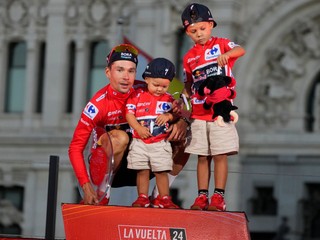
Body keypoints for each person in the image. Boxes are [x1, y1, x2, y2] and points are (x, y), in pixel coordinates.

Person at [68, 43, 190, 206]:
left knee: (188, 136)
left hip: (144, 162)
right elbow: (75, 148)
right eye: (120, 70)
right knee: (120, 137)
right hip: (110, 170)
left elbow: (179, 105)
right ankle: (102, 193)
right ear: (108, 72)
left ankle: (159, 197)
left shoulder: (148, 88)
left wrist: (182, 121)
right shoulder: (97, 105)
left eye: (131, 71)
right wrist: (86, 186)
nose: (126, 77)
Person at [180, 3, 246, 211]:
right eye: (193, 31)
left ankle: (218, 197)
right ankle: (201, 197)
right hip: (199, 113)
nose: (199, 34)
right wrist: (183, 99)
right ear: (187, 32)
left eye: (202, 28)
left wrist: (228, 55)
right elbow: (188, 83)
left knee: (220, 154)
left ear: (210, 25)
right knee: (202, 156)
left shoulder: (221, 44)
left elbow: (241, 49)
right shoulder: (188, 57)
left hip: (220, 112)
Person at [126, 58, 180, 209]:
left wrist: (169, 116)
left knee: (161, 171)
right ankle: (142, 197)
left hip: (160, 142)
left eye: (164, 86)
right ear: (147, 79)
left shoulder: (169, 99)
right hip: (140, 141)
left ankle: (164, 198)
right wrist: (138, 128)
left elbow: (177, 114)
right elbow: (129, 114)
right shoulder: (137, 95)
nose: (159, 89)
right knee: (142, 170)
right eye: (155, 85)